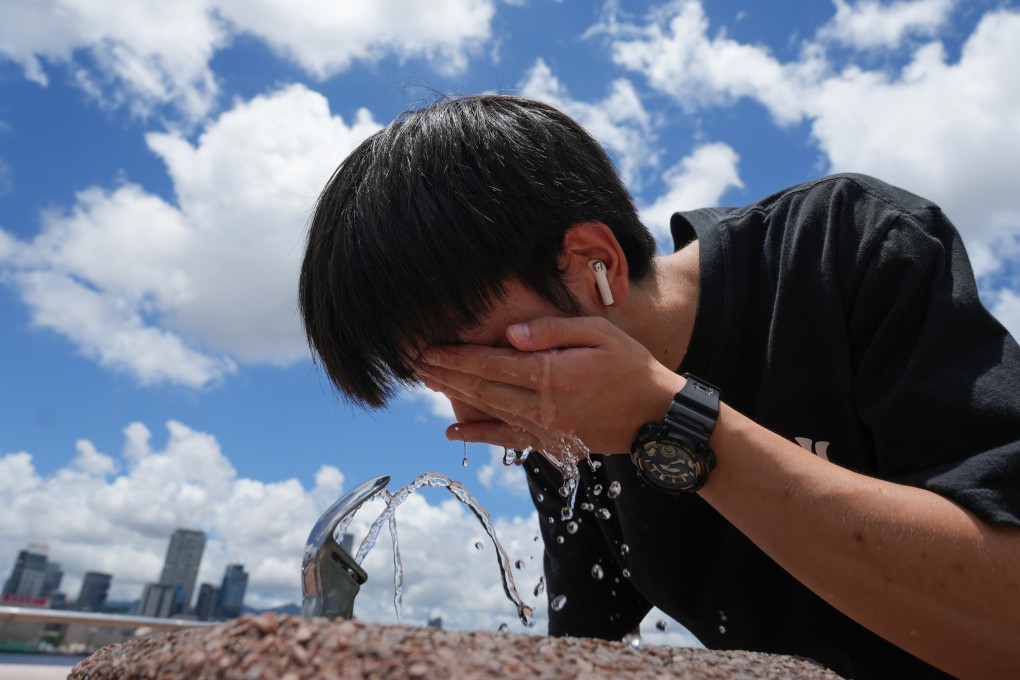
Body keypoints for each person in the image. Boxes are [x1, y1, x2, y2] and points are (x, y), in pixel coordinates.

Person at [298, 94, 1020, 679]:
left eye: (477, 359)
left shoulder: (843, 252)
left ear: (592, 263)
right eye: (437, 381)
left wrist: (668, 425)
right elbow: (583, 651)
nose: (472, 409)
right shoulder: (564, 434)